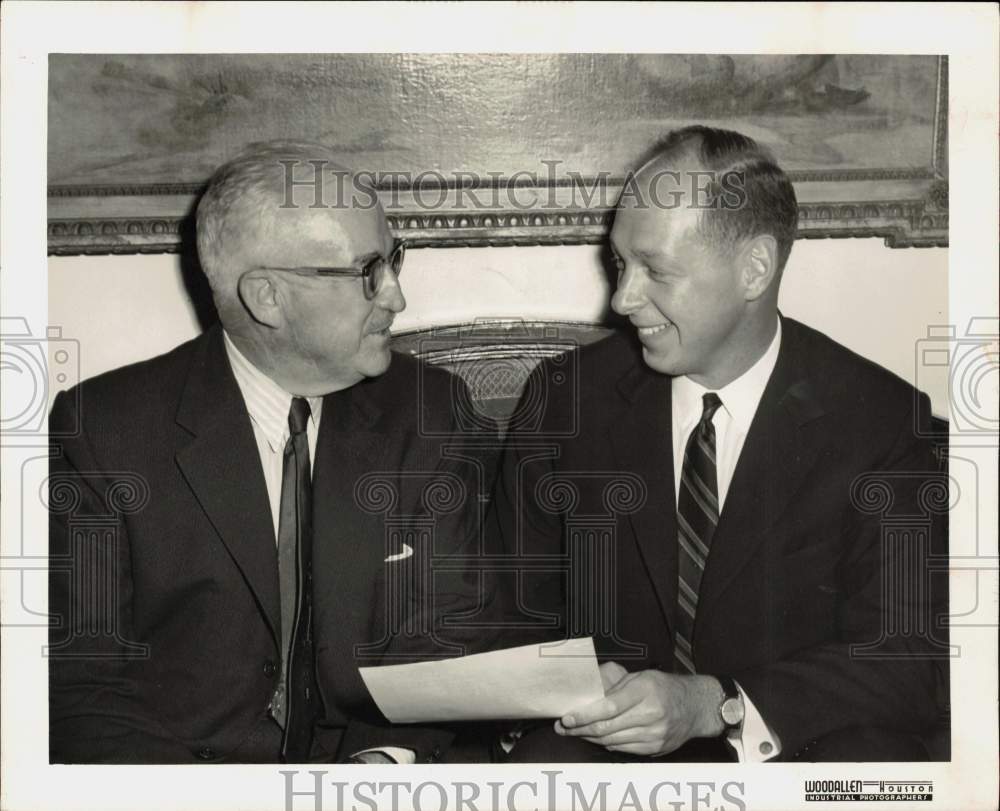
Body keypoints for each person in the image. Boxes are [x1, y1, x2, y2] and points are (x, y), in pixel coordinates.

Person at [491, 125, 948, 762]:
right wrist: (554, 686)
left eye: (656, 270)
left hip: (796, 753)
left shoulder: (883, 422)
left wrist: (716, 704)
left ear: (754, 268)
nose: (623, 298)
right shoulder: (564, 399)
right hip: (603, 755)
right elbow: (509, 613)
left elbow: (908, 659)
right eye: (621, 263)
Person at [48, 141, 498, 764]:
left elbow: (448, 627)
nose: (395, 296)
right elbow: (82, 682)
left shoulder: (431, 415)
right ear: (266, 297)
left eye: (394, 259)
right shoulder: (105, 431)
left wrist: (381, 765)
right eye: (369, 270)